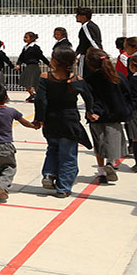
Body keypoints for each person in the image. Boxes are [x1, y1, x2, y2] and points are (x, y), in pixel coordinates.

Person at [34, 47, 97, 197]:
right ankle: (63, 188)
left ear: (55, 61)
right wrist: (90, 111)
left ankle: (49, 174)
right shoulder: (77, 79)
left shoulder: (45, 77)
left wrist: (39, 118)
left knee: (52, 148)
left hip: (51, 120)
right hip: (70, 121)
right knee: (68, 154)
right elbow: (89, 97)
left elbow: (40, 100)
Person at [0, 83, 36, 202]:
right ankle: (3, 185)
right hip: (5, 145)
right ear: (6, 97)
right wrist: (33, 126)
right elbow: (24, 122)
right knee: (9, 167)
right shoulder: (11, 111)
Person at [83, 48, 130, 184]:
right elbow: (127, 95)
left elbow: (89, 98)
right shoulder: (119, 76)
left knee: (99, 144)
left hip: (96, 116)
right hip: (115, 115)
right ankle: (111, 163)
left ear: (90, 64)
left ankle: (102, 171)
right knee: (113, 142)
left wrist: (91, 111)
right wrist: (127, 113)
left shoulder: (90, 79)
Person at [16, 32, 47, 103]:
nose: (24, 39)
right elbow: (21, 57)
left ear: (32, 38)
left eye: (26, 37)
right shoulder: (25, 47)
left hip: (34, 66)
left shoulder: (35, 47)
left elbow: (41, 56)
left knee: (35, 83)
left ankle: (39, 96)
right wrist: (19, 64)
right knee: (25, 82)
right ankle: (32, 94)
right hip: (28, 66)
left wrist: (48, 64)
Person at [74, 6, 103, 72]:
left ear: (83, 16)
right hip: (93, 56)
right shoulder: (93, 25)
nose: (76, 16)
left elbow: (92, 40)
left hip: (87, 56)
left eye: (78, 15)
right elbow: (83, 43)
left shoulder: (86, 26)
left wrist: (99, 53)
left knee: (82, 75)